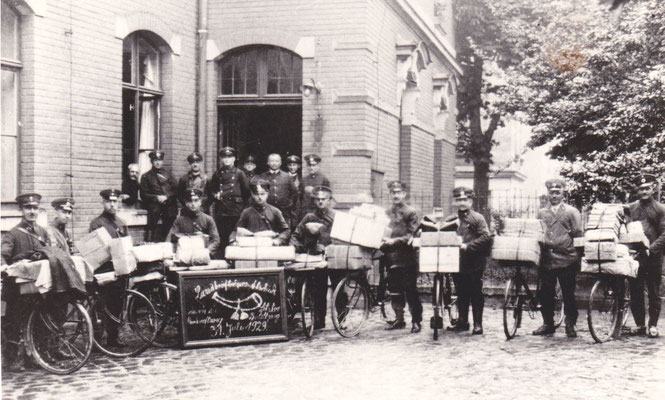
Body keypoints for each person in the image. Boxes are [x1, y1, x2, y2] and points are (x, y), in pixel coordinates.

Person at [1, 193, 50, 371]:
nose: (32, 211)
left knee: (37, 320)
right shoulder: (13, 234)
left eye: (35, 208)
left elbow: (49, 252)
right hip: (16, 287)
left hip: (36, 285)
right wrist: (4, 266)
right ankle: (10, 360)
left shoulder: (42, 232)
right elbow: (2, 254)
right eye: (28, 208)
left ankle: (33, 357)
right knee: (13, 322)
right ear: (21, 210)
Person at [534, 178, 582, 338]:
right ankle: (548, 323)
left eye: (557, 192)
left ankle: (570, 323)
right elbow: (538, 232)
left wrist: (578, 257)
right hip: (547, 259)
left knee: (568, 293)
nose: (554, 195)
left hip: (566, 258)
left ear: (563, 193)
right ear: (547, 194)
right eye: (551, 192)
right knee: (545, 292)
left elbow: (578, 235)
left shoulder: (571, 212)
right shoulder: (542, 212)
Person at [290, 186, 340, 329]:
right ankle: (319, 320)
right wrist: (296, 247)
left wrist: (328, 245)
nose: (320, 202)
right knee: (319, 289)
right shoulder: (309, 217)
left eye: (323, 199)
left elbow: (342, 238)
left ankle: (342, 317)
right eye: (317, 199)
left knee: (338, 287)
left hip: (334, 257)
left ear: (329, 200)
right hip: (316, 258)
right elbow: (296, 235)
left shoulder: (336, 217)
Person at [445, 187, 491, 335]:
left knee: (475, 291)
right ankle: (462, 321)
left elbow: (485, 237)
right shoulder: (451, 219)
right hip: (457, 260)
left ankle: (478, 324)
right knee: (461, 291)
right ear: (455, 202)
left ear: (471, 201)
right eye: (459, 200)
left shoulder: (477, 218)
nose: (462, 203)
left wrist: (468, 246)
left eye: (465, 200)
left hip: (474, 260)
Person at [625, 174, 665, 338]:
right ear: (637, 190)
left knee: (654, 292)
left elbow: (664, 233)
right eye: (641, 189)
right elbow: (625, 229)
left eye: (647, 188)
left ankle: (653, 325)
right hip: (635, 256)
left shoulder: (660, 209)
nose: (644, 191)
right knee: (635, 291)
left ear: (653, 188)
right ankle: (640, 324)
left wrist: (652, 248)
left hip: (653, 257)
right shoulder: (631, 208)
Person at [381, 181, 423, 333]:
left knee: (410, 290)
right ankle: (399, 319)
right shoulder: (385, 213)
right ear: (390, 194)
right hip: (390, 257)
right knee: (394, 290)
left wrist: (394, 241)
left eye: (399, 192)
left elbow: (411, 235)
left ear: (404, 194)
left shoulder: (410, 212)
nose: (396, 195)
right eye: (393, 193)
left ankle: (416, 321)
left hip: (407, 257)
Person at [89, 189, 129, 347]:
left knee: (117, 304)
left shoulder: (121, 223)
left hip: (119, 270)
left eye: (115, 201)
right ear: (103, 203)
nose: (112, 205)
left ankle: (113, 337)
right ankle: (96, 340)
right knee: (100, 305)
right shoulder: (96, 223)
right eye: (109, 202)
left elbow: (126, 246)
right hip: (103, 271)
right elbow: (95, 250)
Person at [206, 146, 250, 258]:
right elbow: (211, 189)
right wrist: (215, 194)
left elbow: (246, 192)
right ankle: (223, 257)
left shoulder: (239, 173)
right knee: (222, 235)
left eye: (229, 157)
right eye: (224, 157)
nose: (226, 160)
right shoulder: (218, 174)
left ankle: (235, 257)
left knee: (235, 234)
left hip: (236, 209)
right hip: (221, 209)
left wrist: (243, 207)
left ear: (234, 159)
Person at [230, 180, 290, 246]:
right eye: (256, 194)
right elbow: (236, 230)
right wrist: (232, 240)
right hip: (251, 245)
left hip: (269, 246)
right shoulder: (246, 212)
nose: (260, 197)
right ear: (252, 194)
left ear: (267, 193)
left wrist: (279, 240)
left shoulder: (275, 211)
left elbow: (286, 231)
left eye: (262, 194)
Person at [167, 189, 220, 256]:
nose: (193, 204)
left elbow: (216, 240)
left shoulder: (208, 219)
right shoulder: (179, 220)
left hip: (203, 254)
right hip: (185, 254)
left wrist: (206, 251)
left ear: (200, 202)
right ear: (186, 203)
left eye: (196, 200)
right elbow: (170, 238)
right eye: (190, 201)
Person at [140, 150, 178, 242]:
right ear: (151, 162)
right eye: (155, 160)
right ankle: (149, 241)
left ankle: (166, 240)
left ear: (162, 161)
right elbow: (143, 194)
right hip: (154, 204)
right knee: (154, 213)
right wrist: (156, 197)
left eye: (160, 160)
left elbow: (176, 190)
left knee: (171, 214)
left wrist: (167, 196)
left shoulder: (168, 174)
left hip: (168, 203)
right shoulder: (146, 176)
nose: (158, 162)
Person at [259, 153, 298, 227]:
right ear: (268, 162)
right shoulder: (262, 176)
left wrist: (289, 205)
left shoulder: (287, 176)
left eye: (276, 161)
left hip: (284, 211)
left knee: (284, 231)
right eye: (272, 161)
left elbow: (294, 193)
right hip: (267, 210)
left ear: (280, 163)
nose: (274, 163)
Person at [300, 154, 331, 218]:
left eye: (313, 165)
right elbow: (300, 198)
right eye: (309, 165)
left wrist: (314, 191)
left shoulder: (323, 179)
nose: (311, 168)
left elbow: (328, 197)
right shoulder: (304, 180)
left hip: (319, 212)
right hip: (306, 211)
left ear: (318, 166)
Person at [286, 154, 303, 228]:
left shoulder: (301, 179)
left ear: (298, 166)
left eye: (294, 165)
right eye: (290, 165)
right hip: (286, 206)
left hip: (296, 207)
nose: (292, 167)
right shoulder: (284, 177)